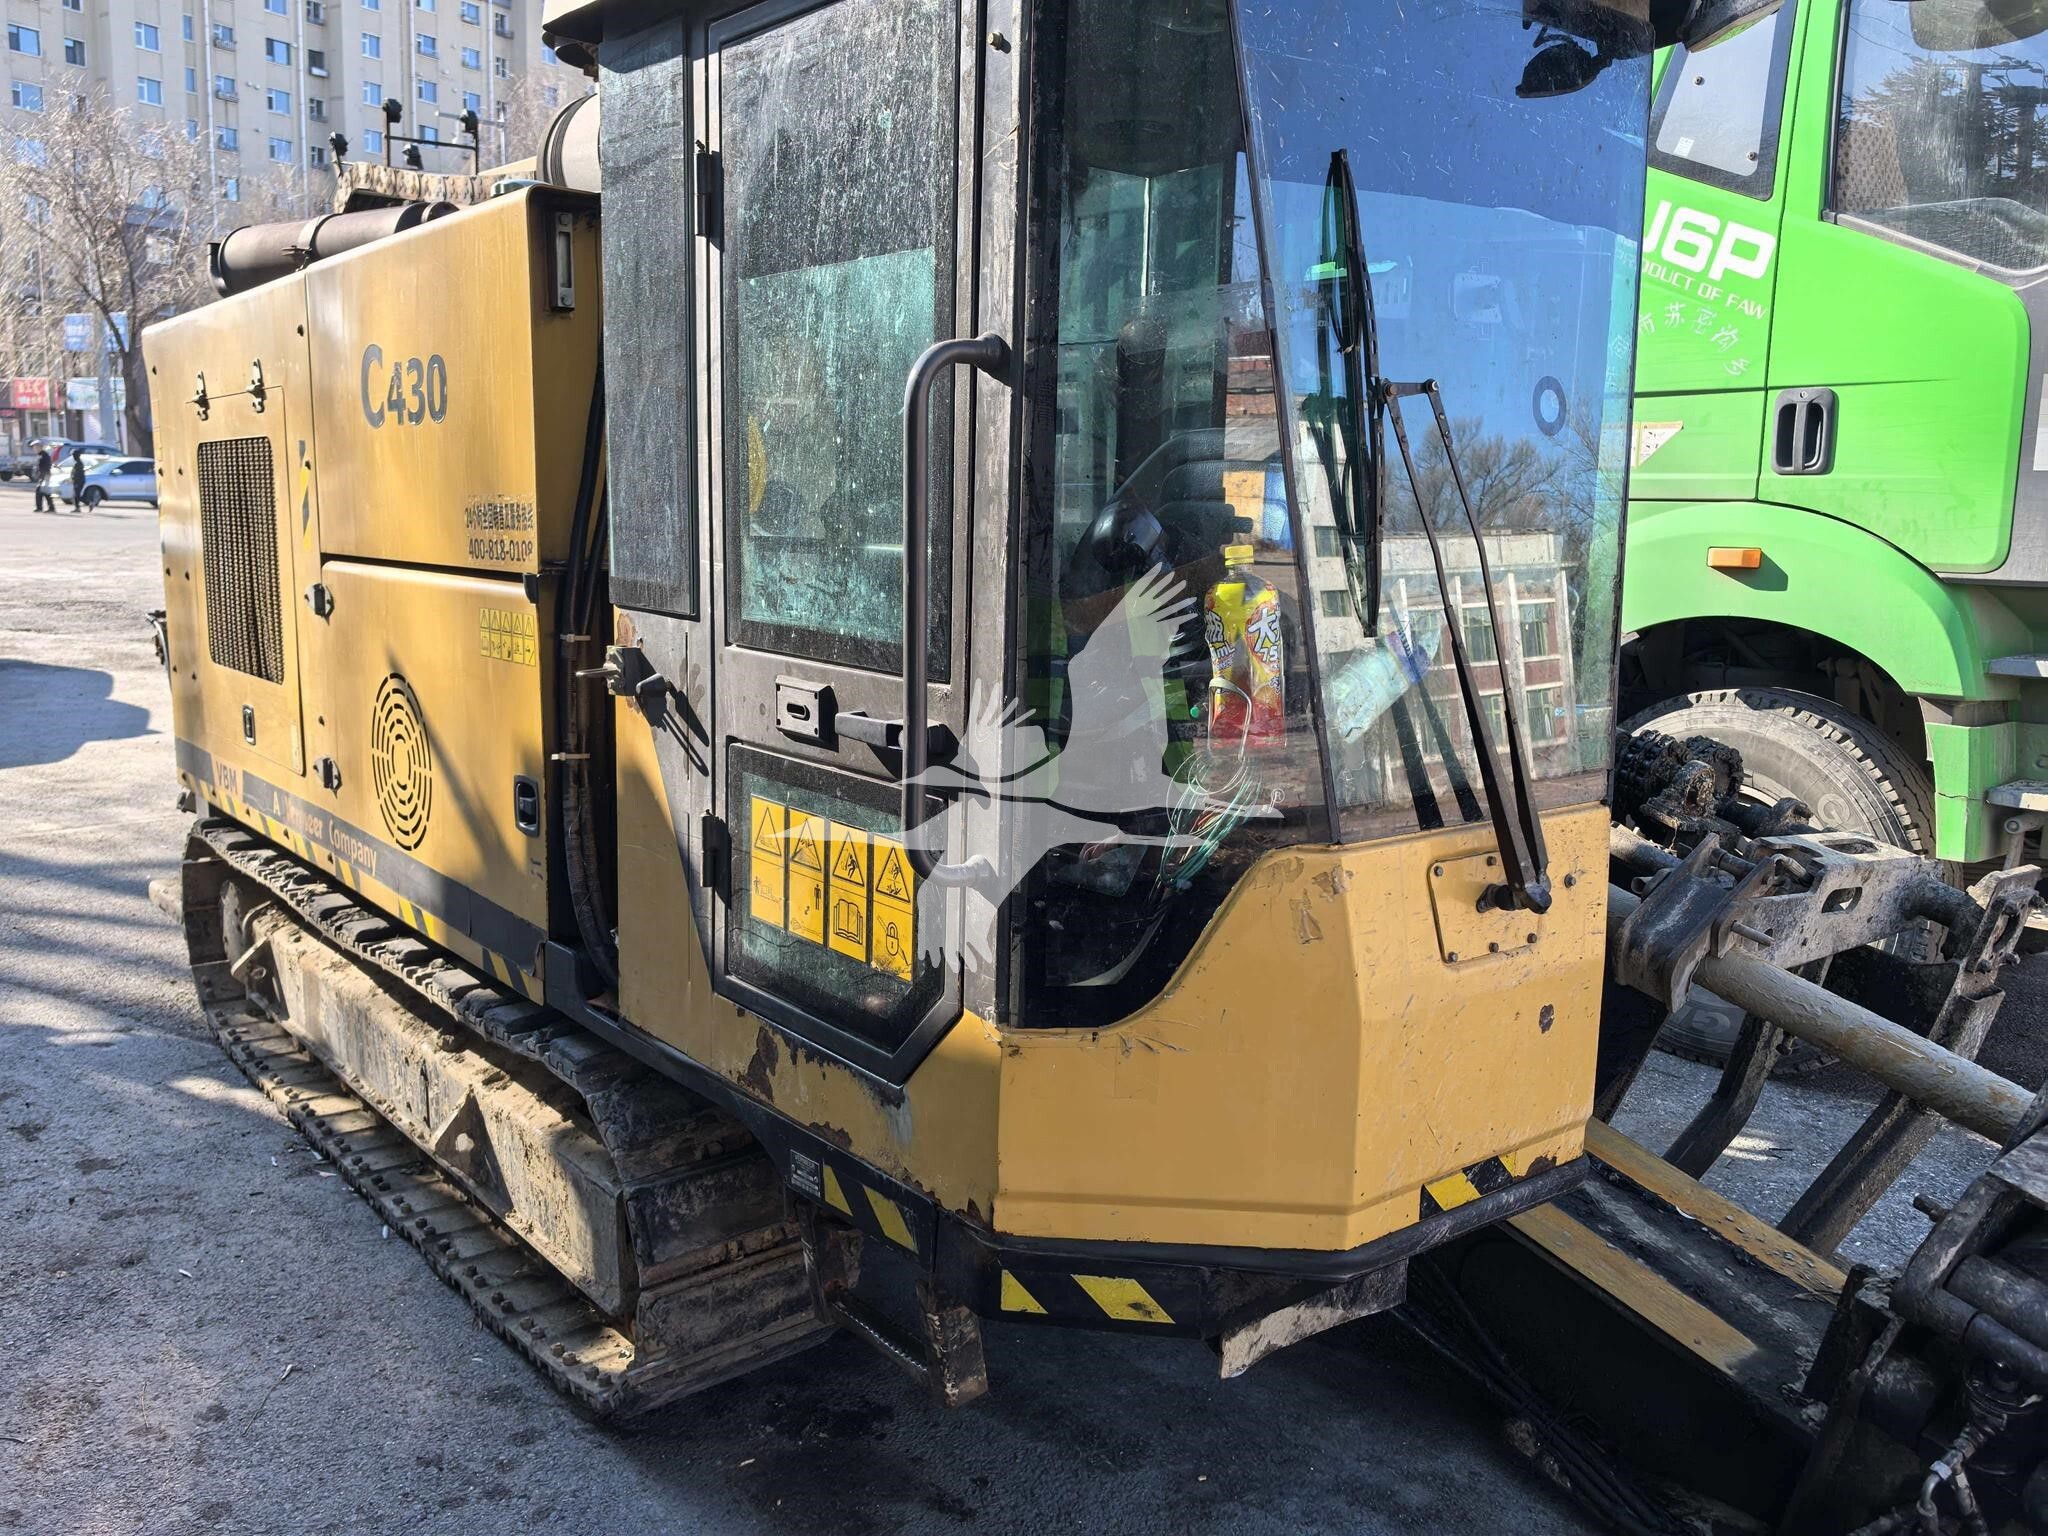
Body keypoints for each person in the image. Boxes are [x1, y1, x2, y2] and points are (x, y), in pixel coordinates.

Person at [31, 447, 54, 514]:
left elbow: (44, 468)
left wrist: (42, 477)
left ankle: (47, 507)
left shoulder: (44, 457)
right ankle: (45, 507)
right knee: (43, 492)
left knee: (43, 491)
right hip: (44, 476)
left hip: (45, 476)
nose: (35, 450)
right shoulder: (43, 456)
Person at [68, 449, 86, 513]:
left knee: (76, 495)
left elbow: (77, 474)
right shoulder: (78, 463)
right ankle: (89, 502)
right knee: (76, 495)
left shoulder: (78, 463)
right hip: (78, 481)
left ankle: (77, 508)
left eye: (73, 455)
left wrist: (75, 481)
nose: (73, 457)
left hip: (78, 482)